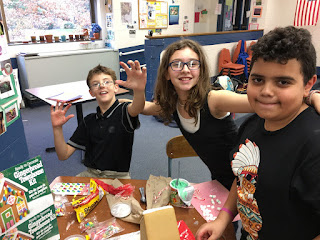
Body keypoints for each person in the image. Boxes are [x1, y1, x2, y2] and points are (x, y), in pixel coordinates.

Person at [196, 26, 320, 240]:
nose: (266, 91)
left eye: (283, 82)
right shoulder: (250, 125)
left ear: (308, 84)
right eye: (258, 79)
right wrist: (223, 218)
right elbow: (243, 178)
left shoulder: (314, 145)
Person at [120, 39, 254, 190]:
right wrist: (136, 92)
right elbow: (143, 107)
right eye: (176, 64)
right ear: (166, 74)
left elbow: (259, 104)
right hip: (220, 181)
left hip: (249, 184)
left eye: (193, 63)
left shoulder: (214, 99)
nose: (185, 69)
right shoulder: (174, 104)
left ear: (200, 71)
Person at [50, 61, 146, 179]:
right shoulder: (89, 121)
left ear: (116, 88)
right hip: (91, 174)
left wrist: (139, 90)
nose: (102, 85)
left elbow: (137, 107)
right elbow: (63, 155)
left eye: (107, 82)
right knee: (63, 195)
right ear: (91, 93)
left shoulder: (124, 111)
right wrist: (57, 128)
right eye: (96, 84)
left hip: (118, 178)